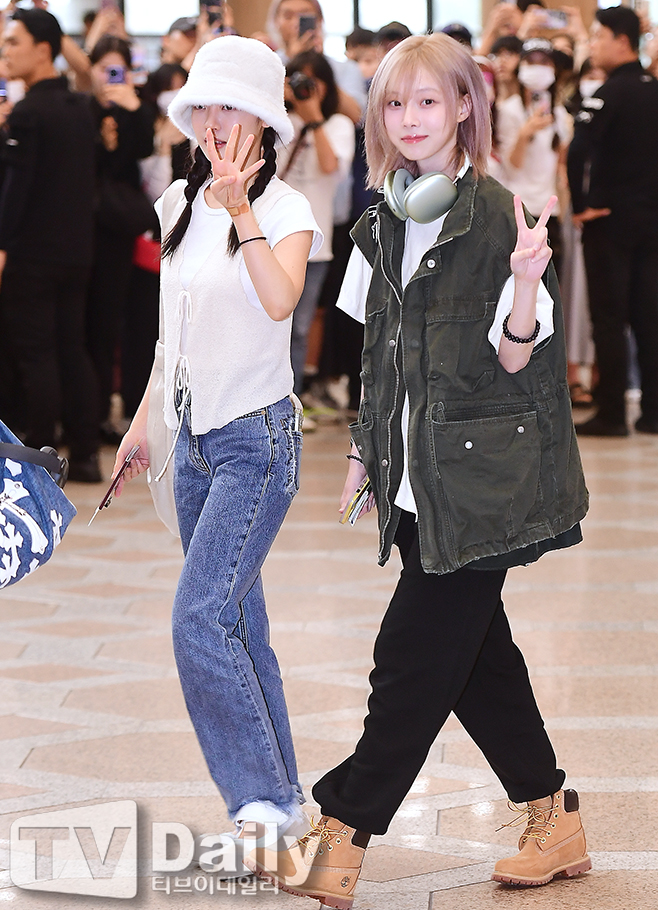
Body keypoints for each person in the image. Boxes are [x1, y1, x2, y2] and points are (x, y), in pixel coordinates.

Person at [245, 33, 590, 908]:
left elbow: (519, 357)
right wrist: (364, 448)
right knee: (475, 658)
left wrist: (525, 282)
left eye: (429, 101)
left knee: (408, 657)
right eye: (394, 103)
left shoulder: (502, 216)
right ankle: (553, 817)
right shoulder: (382, 220)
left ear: (466, 106)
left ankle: (341, 830)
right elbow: (376, 356)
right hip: (411, 479)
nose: (409, 119)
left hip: (480, 483)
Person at [112, 35, 322, 872]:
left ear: (264, 118)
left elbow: (280, 303)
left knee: (199, 618)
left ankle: (258, 805)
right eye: (203, 105)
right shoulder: (176, 202)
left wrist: (241, 211)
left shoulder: (288, 210)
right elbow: (173, 335)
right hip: (191, 440)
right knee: (237, 621)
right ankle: (285, 799)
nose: (214, 120)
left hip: (256, 444)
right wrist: (141, 422)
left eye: (230, 105)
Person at [0, 7, 101, 482]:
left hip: (34, 255)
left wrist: (3, 246)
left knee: (37, 354)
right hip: (77, 252)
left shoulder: (28, 112)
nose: (5, 51)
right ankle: (86, 454)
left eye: (13, 42)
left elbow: (15, 193)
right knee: (72, 348)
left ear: (43, 50)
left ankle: (40, 462)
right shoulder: (81, 108)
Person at [568, 5, 658, 436]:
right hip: (652, 222)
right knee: (649, 316)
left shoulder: (608, 93)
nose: (593, 45)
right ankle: (654, 411)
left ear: (622, 41)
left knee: (608, 317)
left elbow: (577, 150)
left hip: (610, 223)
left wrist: (580, 205)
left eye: (598, 37)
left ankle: (612, 414)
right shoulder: (654, 89)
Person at [85, 35, 155, 444]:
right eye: (103, 69)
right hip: (88, 228)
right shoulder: (83, 110)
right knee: (93, 325)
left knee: (126, 323)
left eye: (118, 70)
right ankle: (91, 414)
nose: (110, 78)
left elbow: (143, 150)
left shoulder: (136, 109)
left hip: (123, 229)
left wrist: (134, 108)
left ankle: (122, 412)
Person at [281, 51, 355, 396]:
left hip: (314, 244)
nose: (307, 88)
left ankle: (290, 402)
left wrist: (313, 120)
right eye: (299, 80)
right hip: (271, 238)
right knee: (266, 324)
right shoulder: (278, 121)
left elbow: (330, 168)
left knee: (299, 328)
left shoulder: (338, 125)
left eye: (314, 81)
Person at [495, 38, 572, 278]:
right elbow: (512, 165)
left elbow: (561, 165)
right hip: (519, 210)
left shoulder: (560, 115)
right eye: (531, 61)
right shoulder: (509, 110)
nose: (537, 67)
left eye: (544, 62)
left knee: (550, 284)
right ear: (521, 68)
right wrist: (524, 133)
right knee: (517, 282)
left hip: (550, 210)